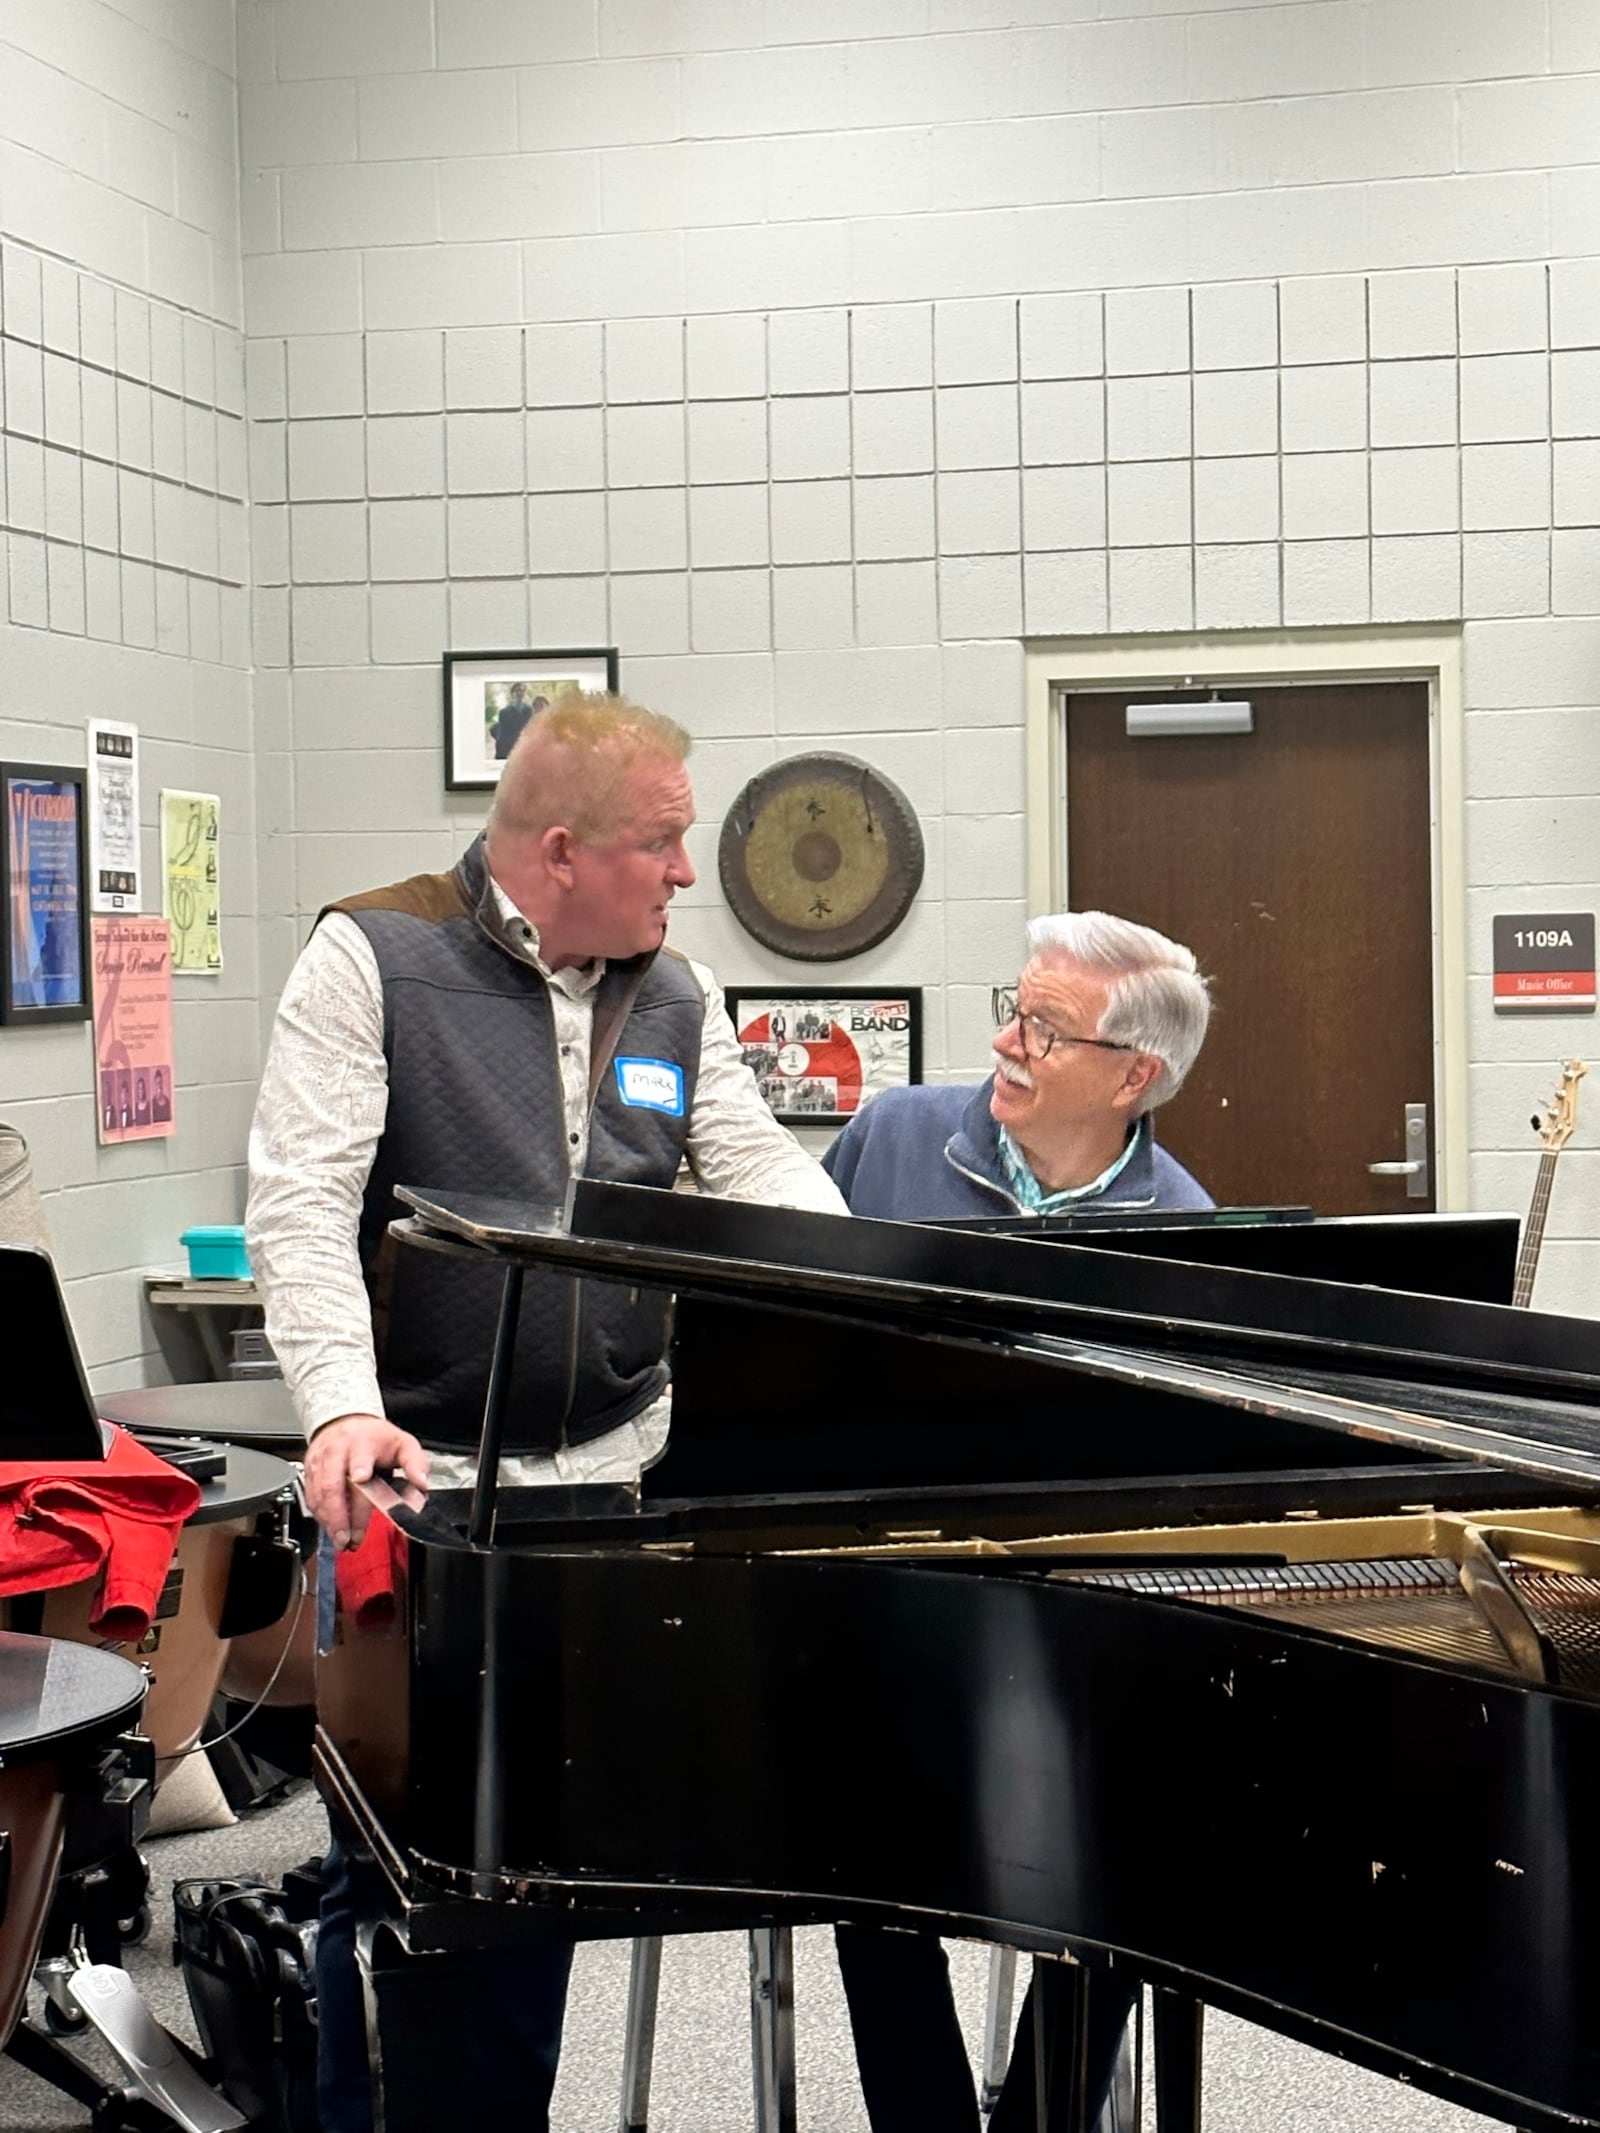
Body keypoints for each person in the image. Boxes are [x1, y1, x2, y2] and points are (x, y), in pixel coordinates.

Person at [246, 691, 845, 2133]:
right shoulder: (372, 954)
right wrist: (337, 1409)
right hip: (419, 1488)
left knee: (542, 1868)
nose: (689, 873)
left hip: (616, 1485)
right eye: (665, 842)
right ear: (562, 850)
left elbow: (761, 1175)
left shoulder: (674, 993)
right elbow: (303, 1206)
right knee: (387, 1868)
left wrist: (891, 1292)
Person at [823, 908, 1213, 2133]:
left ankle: (1041, 2112)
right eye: (1016, 1007)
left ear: (1131, 1075)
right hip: (871, 1590)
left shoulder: (1184, 1232)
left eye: (1043, 1028)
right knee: (850, 1848)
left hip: (1073, 1613)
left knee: (1142, 1852)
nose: (1006, 1040)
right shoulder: (889, 1136)